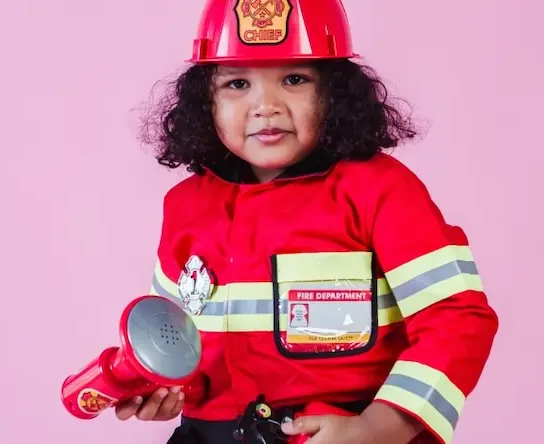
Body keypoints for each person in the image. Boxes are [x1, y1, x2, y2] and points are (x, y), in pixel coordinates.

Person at [115, 1, 499, 443]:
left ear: (335, 92)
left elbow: (458, 317)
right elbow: (184, 345)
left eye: (294, 79)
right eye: (237, 83)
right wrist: (160, 385)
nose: (266, 106)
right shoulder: (184, 206)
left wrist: (381, 427)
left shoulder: (382, 191)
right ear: (205, 101)